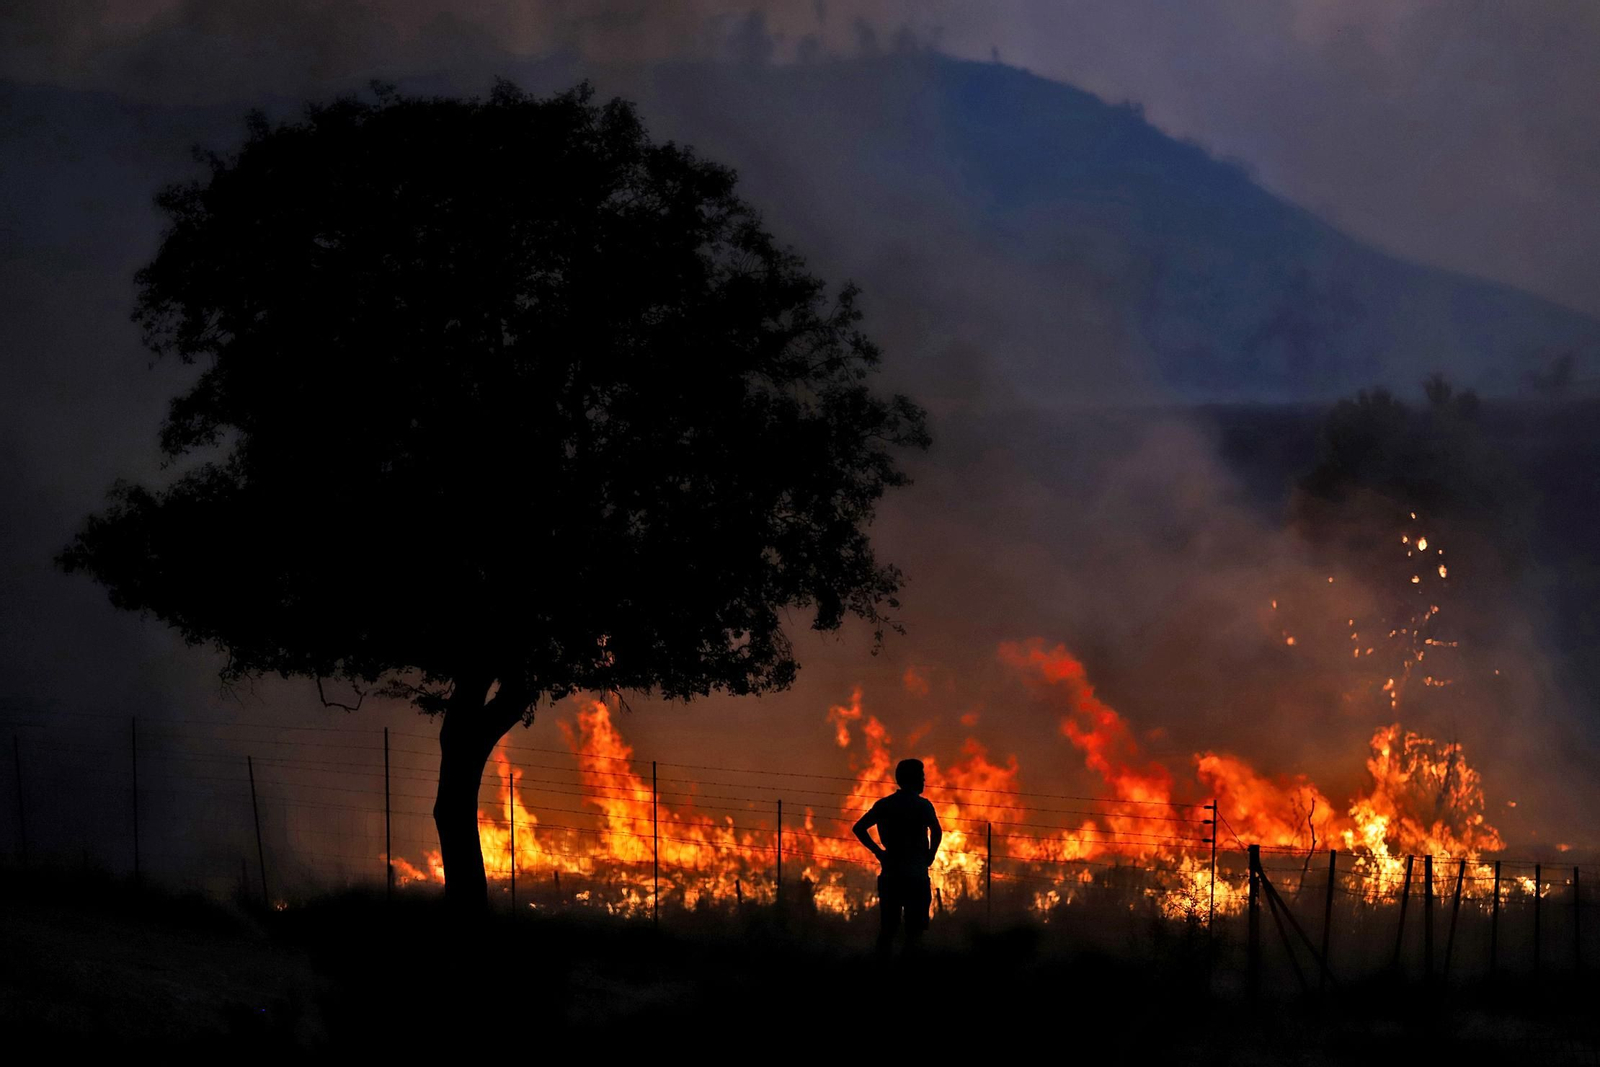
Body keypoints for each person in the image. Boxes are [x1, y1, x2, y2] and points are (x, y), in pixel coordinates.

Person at [853, 757, 942, 957]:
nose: (924, 780)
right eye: (921, 776)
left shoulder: (885, 805)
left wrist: (879, 852)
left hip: (891, 874)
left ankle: (882, 966)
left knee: (888, 928)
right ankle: (908, 967)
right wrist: (930, 855)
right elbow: (937, 831)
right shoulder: (923, 806)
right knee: (915, 931)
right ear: (913, 779)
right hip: (916, 875)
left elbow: (859, 828)